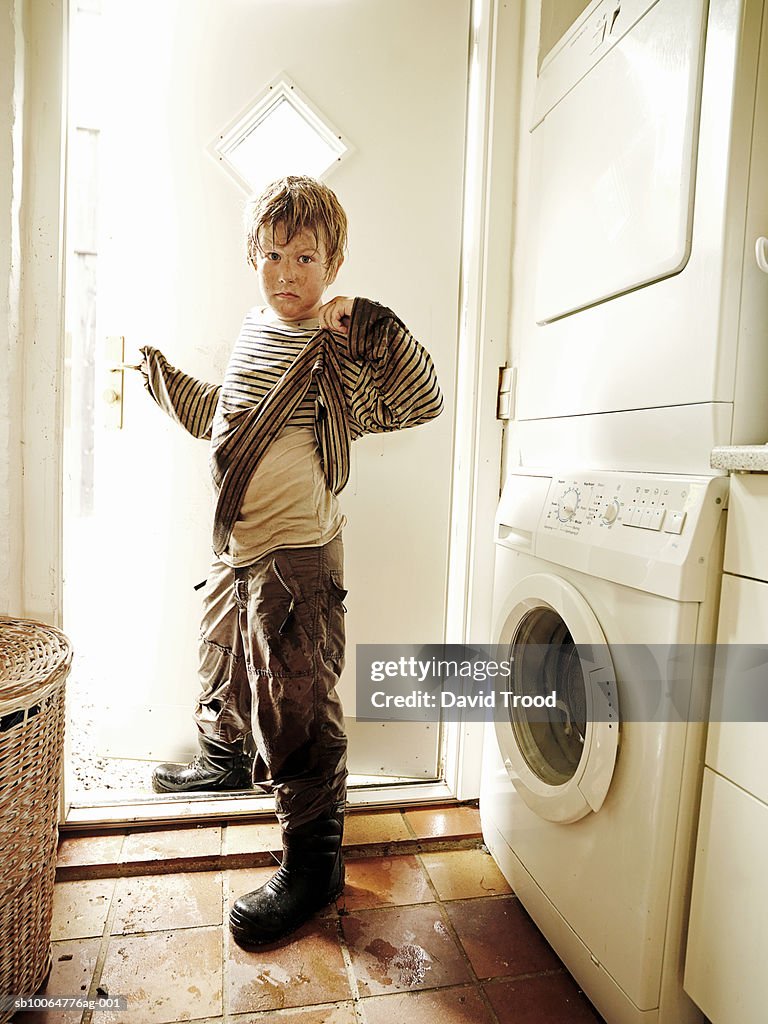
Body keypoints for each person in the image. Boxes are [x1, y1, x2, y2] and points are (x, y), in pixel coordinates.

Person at [135, 175, 443, 948]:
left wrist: (375, 327)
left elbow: (419, 398)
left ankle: (314, 862)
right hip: (239, 548)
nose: (287, 274)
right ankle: (224, 760)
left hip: (296, 558)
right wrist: (169, 386)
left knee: (295, 703)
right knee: (226, 664)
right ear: (253, 257)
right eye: (271, 255)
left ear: (334, 262)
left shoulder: (333, 347)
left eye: (305, 257)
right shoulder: (255, 329)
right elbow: (230, 423)